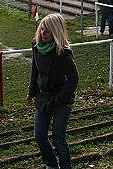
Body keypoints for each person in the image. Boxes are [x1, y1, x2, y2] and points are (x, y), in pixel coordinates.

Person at [27, 13, 79, 169]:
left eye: (48, 31)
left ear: (56, 32)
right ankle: (51, 165)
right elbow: (35, 70)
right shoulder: (36, 46)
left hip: (60, 101)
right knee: (39, 136)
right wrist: (32, 91)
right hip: (43, 98)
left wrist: (60, 100)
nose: (43, 33)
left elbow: (73, 79)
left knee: (59, 140)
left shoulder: (63, 52)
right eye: (42, 29)